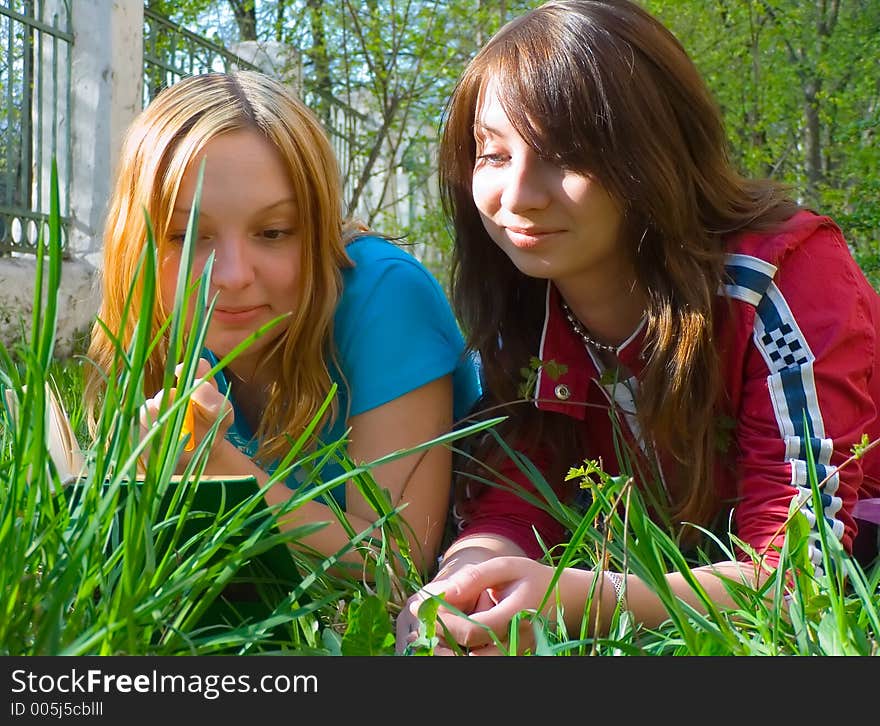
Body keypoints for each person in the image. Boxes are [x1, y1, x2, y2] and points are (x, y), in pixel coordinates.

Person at [396, 0, 880, 654]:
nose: (517, 197)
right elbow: (515, 500)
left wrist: (581, 600)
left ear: (653, 152)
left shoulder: (780, 283)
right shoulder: (528, 301)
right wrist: (460, 586)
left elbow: (799, 579)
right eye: (492, 154)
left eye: (564, 156)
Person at [82, 70, 480, 575]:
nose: (232, 275)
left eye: (273, 232)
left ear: (315, 230)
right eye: (185, 236)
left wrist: (222, 472)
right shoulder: (160, 325)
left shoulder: (386, 295)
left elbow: (396, 565)